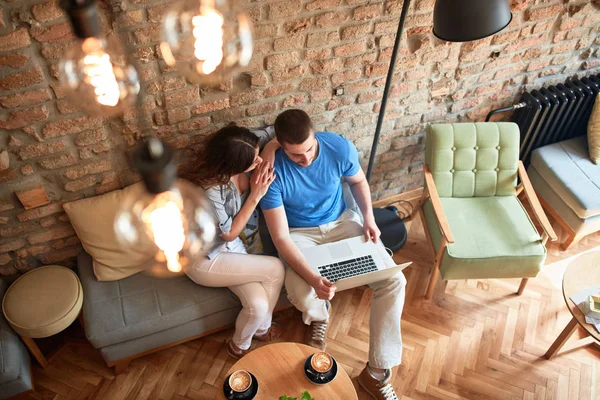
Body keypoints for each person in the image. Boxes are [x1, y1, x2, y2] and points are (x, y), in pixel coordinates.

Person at [260, 109, 406, 400]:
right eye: (296, 156)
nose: (307, 160)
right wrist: (314, 279)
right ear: (280, 145)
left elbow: (358, 183)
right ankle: (319, 316)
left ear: (316, 135)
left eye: (310, 150)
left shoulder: (338, 146)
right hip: (300, 235)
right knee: (302, 296)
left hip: (342, 222)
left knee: (395, 281)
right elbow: (280, 237)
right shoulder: (271, 171)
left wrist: (369, 218)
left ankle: (375, 373)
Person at [182, 124, 285, 359]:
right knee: (275, 268)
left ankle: (238, 346)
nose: (258, 162)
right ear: (234, 165)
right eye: (254, 160)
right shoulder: (210, 193)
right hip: (204, 258)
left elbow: (278, 131)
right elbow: (228, 234)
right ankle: (263, 329)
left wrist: (269, 148)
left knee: (258, 306)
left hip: (231, 247)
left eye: (257, 155)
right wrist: (256, 195)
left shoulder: (244, 147)